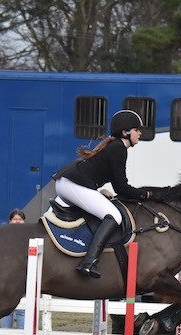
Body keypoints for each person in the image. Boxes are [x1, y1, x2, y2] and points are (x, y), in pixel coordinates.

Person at [53, 109, 153, 278]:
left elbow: (119, 187)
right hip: (72, 184)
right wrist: (147, 195)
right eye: (137, 130)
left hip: (68, 183)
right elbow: (122, 188)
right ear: (125, 132)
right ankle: (89, 262)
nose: (140, 133)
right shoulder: (118, 148)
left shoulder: (116, 147)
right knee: (114, 215)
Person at [1, 209, 26, 330]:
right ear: (10, 221)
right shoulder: (4, 237)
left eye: (20, 219)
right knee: (5, 309)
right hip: (7, 277)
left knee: (22, 308)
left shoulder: (28, 237)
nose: (18, 221)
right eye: (15, 219)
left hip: (23, 277)